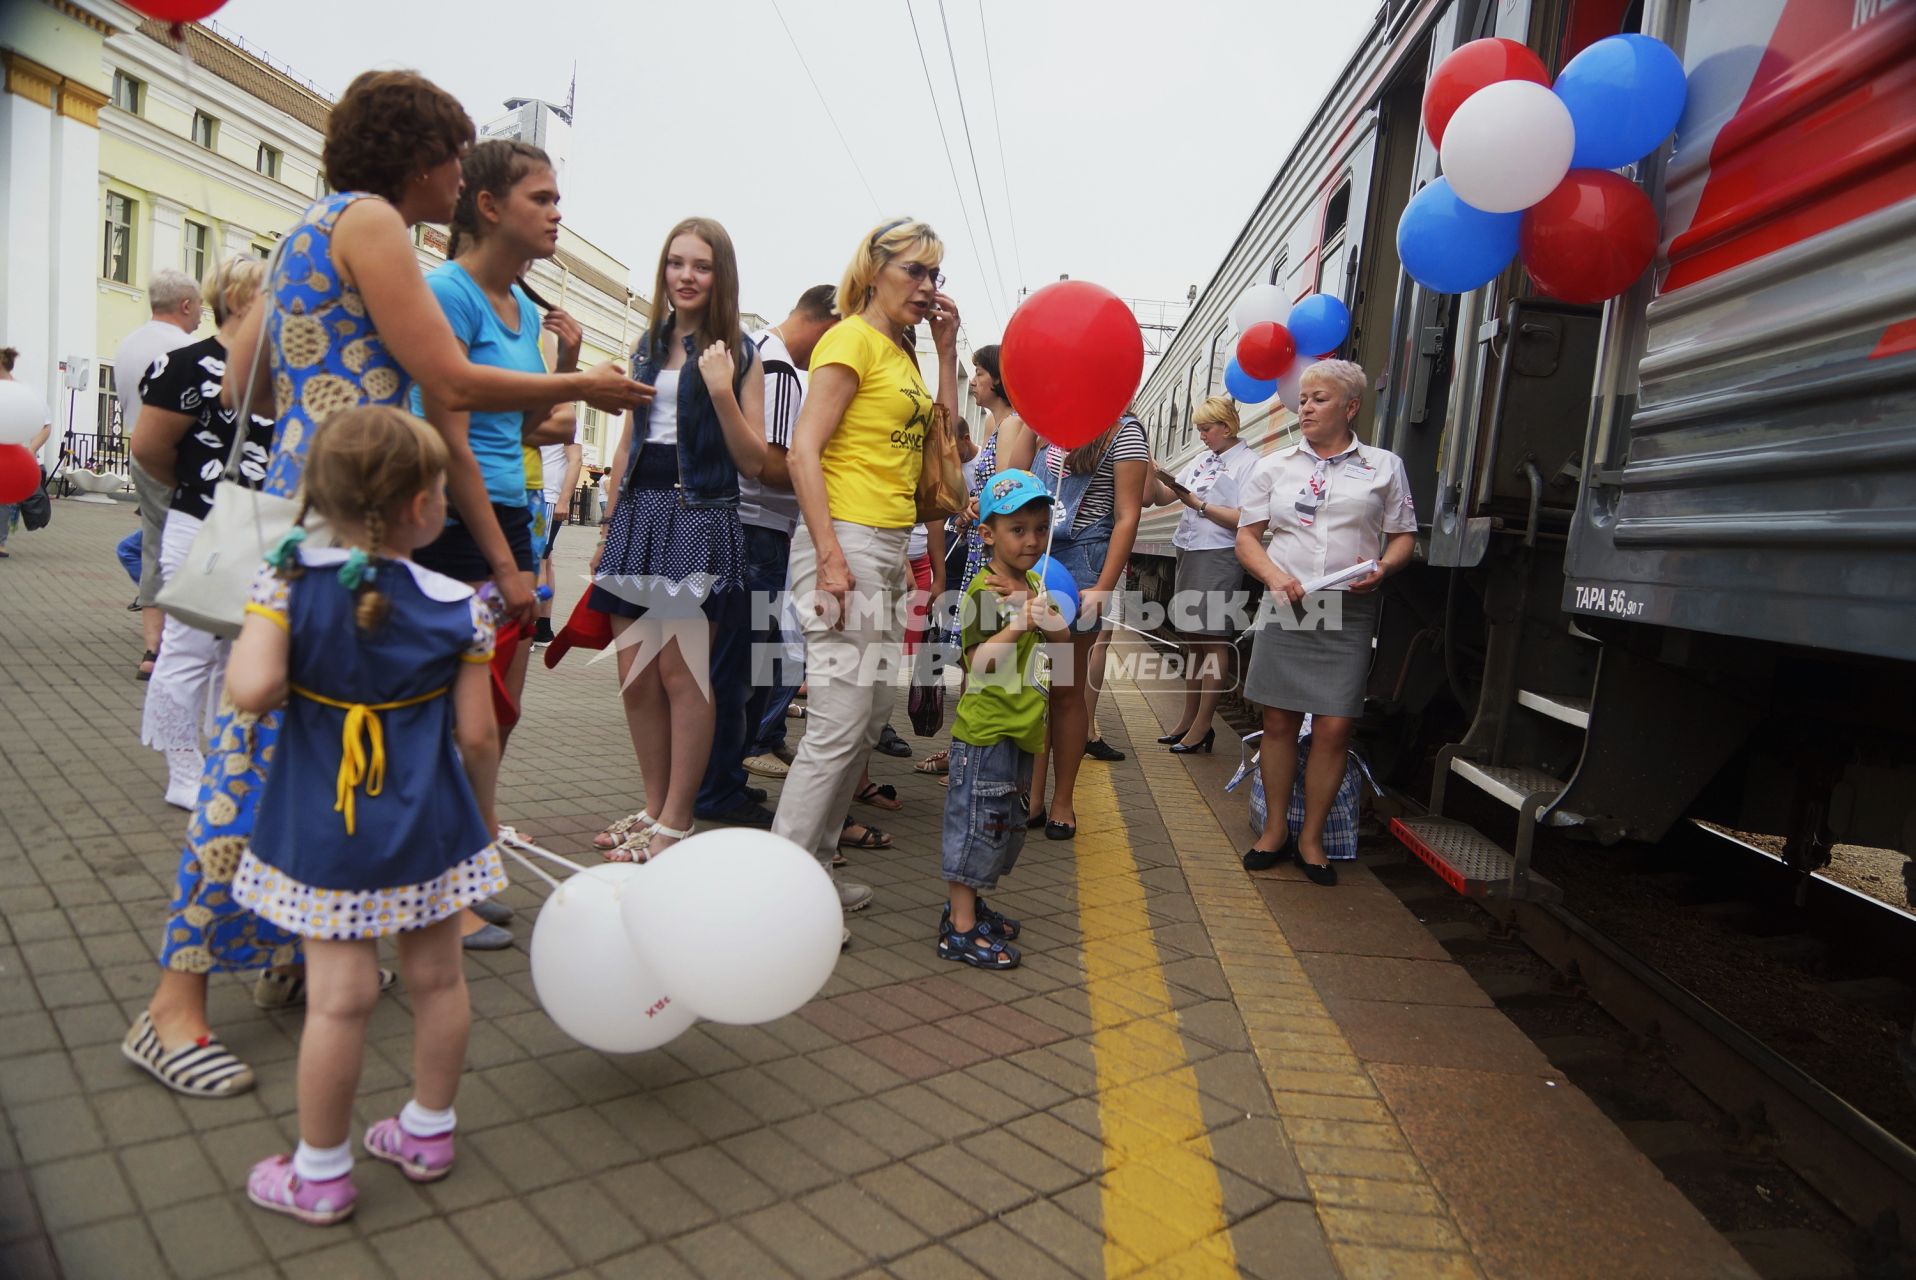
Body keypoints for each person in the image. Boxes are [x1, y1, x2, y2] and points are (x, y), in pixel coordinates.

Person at [121, 68, 646, 1101]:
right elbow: (447, 381)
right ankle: (170, 1006)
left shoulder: (314, 228)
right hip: (332, 526)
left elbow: (245, 385)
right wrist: (579, 386)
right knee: (251, 761)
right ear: (418, 159)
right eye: (453, 158)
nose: (461, 178)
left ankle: (287, 943)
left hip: (324, 514)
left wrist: (341, 385)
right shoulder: (368, 222)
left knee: (294, 753)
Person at [229, 406, 501, 1224]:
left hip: (324, 827)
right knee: (440, 975)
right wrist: (481, 824)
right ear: (420, 506)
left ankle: (320, 1173)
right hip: (431, 824)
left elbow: (250, 690)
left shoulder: (285, 582)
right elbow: (479, 736)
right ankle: (426, 1131)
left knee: (339, 997)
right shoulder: (461, 603)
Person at [772, 217, 961, 915]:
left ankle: (815, 869)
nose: (928, 285)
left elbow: (943, 444)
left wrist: (945, 351)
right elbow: (802, 451)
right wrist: (827, 557)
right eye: (916, 270)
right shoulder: (848, 337)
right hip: (846, 541)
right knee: (835, 722)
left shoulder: (899, 352)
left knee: (866, 715)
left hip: (885, 545)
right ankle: (786, 893)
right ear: (874, 268)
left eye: (936, 274)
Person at [588, 217, 766, 861]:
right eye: (676, 262)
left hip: (697, 517)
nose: (685, 276)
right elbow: (630, 439)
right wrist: (607, 522)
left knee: (681, 674)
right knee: (635, 676)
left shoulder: (741, 352)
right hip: (638, 515)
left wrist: (721, 391)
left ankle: (677, 819)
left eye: (701, 265)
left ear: (720, 276)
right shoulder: (646, 343)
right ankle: (653, 804)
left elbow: (753, 460)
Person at [1235, 359, 1416, 885]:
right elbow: (1248, 537)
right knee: (1278, 722)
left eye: (1319, 398)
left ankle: (1311, 838)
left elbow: (1403, 534)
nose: (1306, 407)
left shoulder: (1384, 466)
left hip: (1349, 607)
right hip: (1289, 602)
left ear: (1351, 407)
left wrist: (1385, 566)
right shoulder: (1275, 466)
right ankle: (1273, 830)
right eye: (1304, 398)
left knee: (1335, 726)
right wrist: (1272, 575)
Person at [130, 256, 275, 808]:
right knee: (188, 649)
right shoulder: (187, 365)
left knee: (235, 652)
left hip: (260, 529)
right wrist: (201, 489)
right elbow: (149, 450)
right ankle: (182, 769)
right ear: (239, 301)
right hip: (201, 524)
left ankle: (221, 757)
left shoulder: (275, 370)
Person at [940, 469, 1067, 970]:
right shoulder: (979, 592)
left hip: (1021, 730)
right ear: (988, 534)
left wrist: (1037, 609)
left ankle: (970, 904)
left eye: (1039, 527)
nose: (1032, 540)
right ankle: (959, 927)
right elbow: (978, 664)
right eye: (1018, 529)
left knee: (1002, 828)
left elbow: (1060, 641)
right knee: (975, 825)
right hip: (986, 734)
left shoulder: (1032, 582)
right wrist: (1019, 620)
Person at [730, 285, 838, 786]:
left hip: (763, 529)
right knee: (763, 654)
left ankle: (757, 744)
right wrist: (815, 473)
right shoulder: (774, 367)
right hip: (759, 529)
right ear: (826, 325)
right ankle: (743, 755)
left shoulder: (764, 354)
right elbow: (769, 463)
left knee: (769, 650)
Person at [1024, 414, 1150, 838]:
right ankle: (1032, 796)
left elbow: (1127, 515)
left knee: (1065, 689)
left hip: (1082, 568)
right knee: (1032, 685)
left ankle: (1062, 801)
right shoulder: (1045, 419)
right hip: (1034, 562)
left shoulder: (1123, 430)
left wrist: (1104, 586)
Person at [1143, 395, 1259, 753]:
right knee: (1192, 639)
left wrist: (1202, 506)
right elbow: (1163, 498)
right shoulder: (1202, 459)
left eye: (1206, 429)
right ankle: (1187, 720)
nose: (1202, 436)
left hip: (1220, 552)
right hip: (1190, 548)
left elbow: (1247, 517)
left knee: (1212, 639)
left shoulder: (1250, 464)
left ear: (1227, 427)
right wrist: (1150, 467)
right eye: (1198, 429)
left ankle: (1204, 725)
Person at [117, 269, 202, 677]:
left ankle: (153, 647)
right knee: (190, 546)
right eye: (200, 306)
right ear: (186, 305)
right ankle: (188, 639)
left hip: (140, 453)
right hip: (181, 458)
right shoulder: (187, 349)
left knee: (153, 546)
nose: (202, 314)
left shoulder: (127, 344)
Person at [531, 433, 583, 647]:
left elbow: (576, 459)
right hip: (541, 496)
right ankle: (543, 628)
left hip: (545, 497)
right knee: (546, 559)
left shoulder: (563, 415)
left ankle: (529, 628)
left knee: (538, 562)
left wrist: (564, 500)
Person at [0, 347, 51, 559]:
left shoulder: (23, 393)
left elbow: (45, 425)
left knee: (3, 501)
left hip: (11, 458)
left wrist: (30, 450)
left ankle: (0, 542)